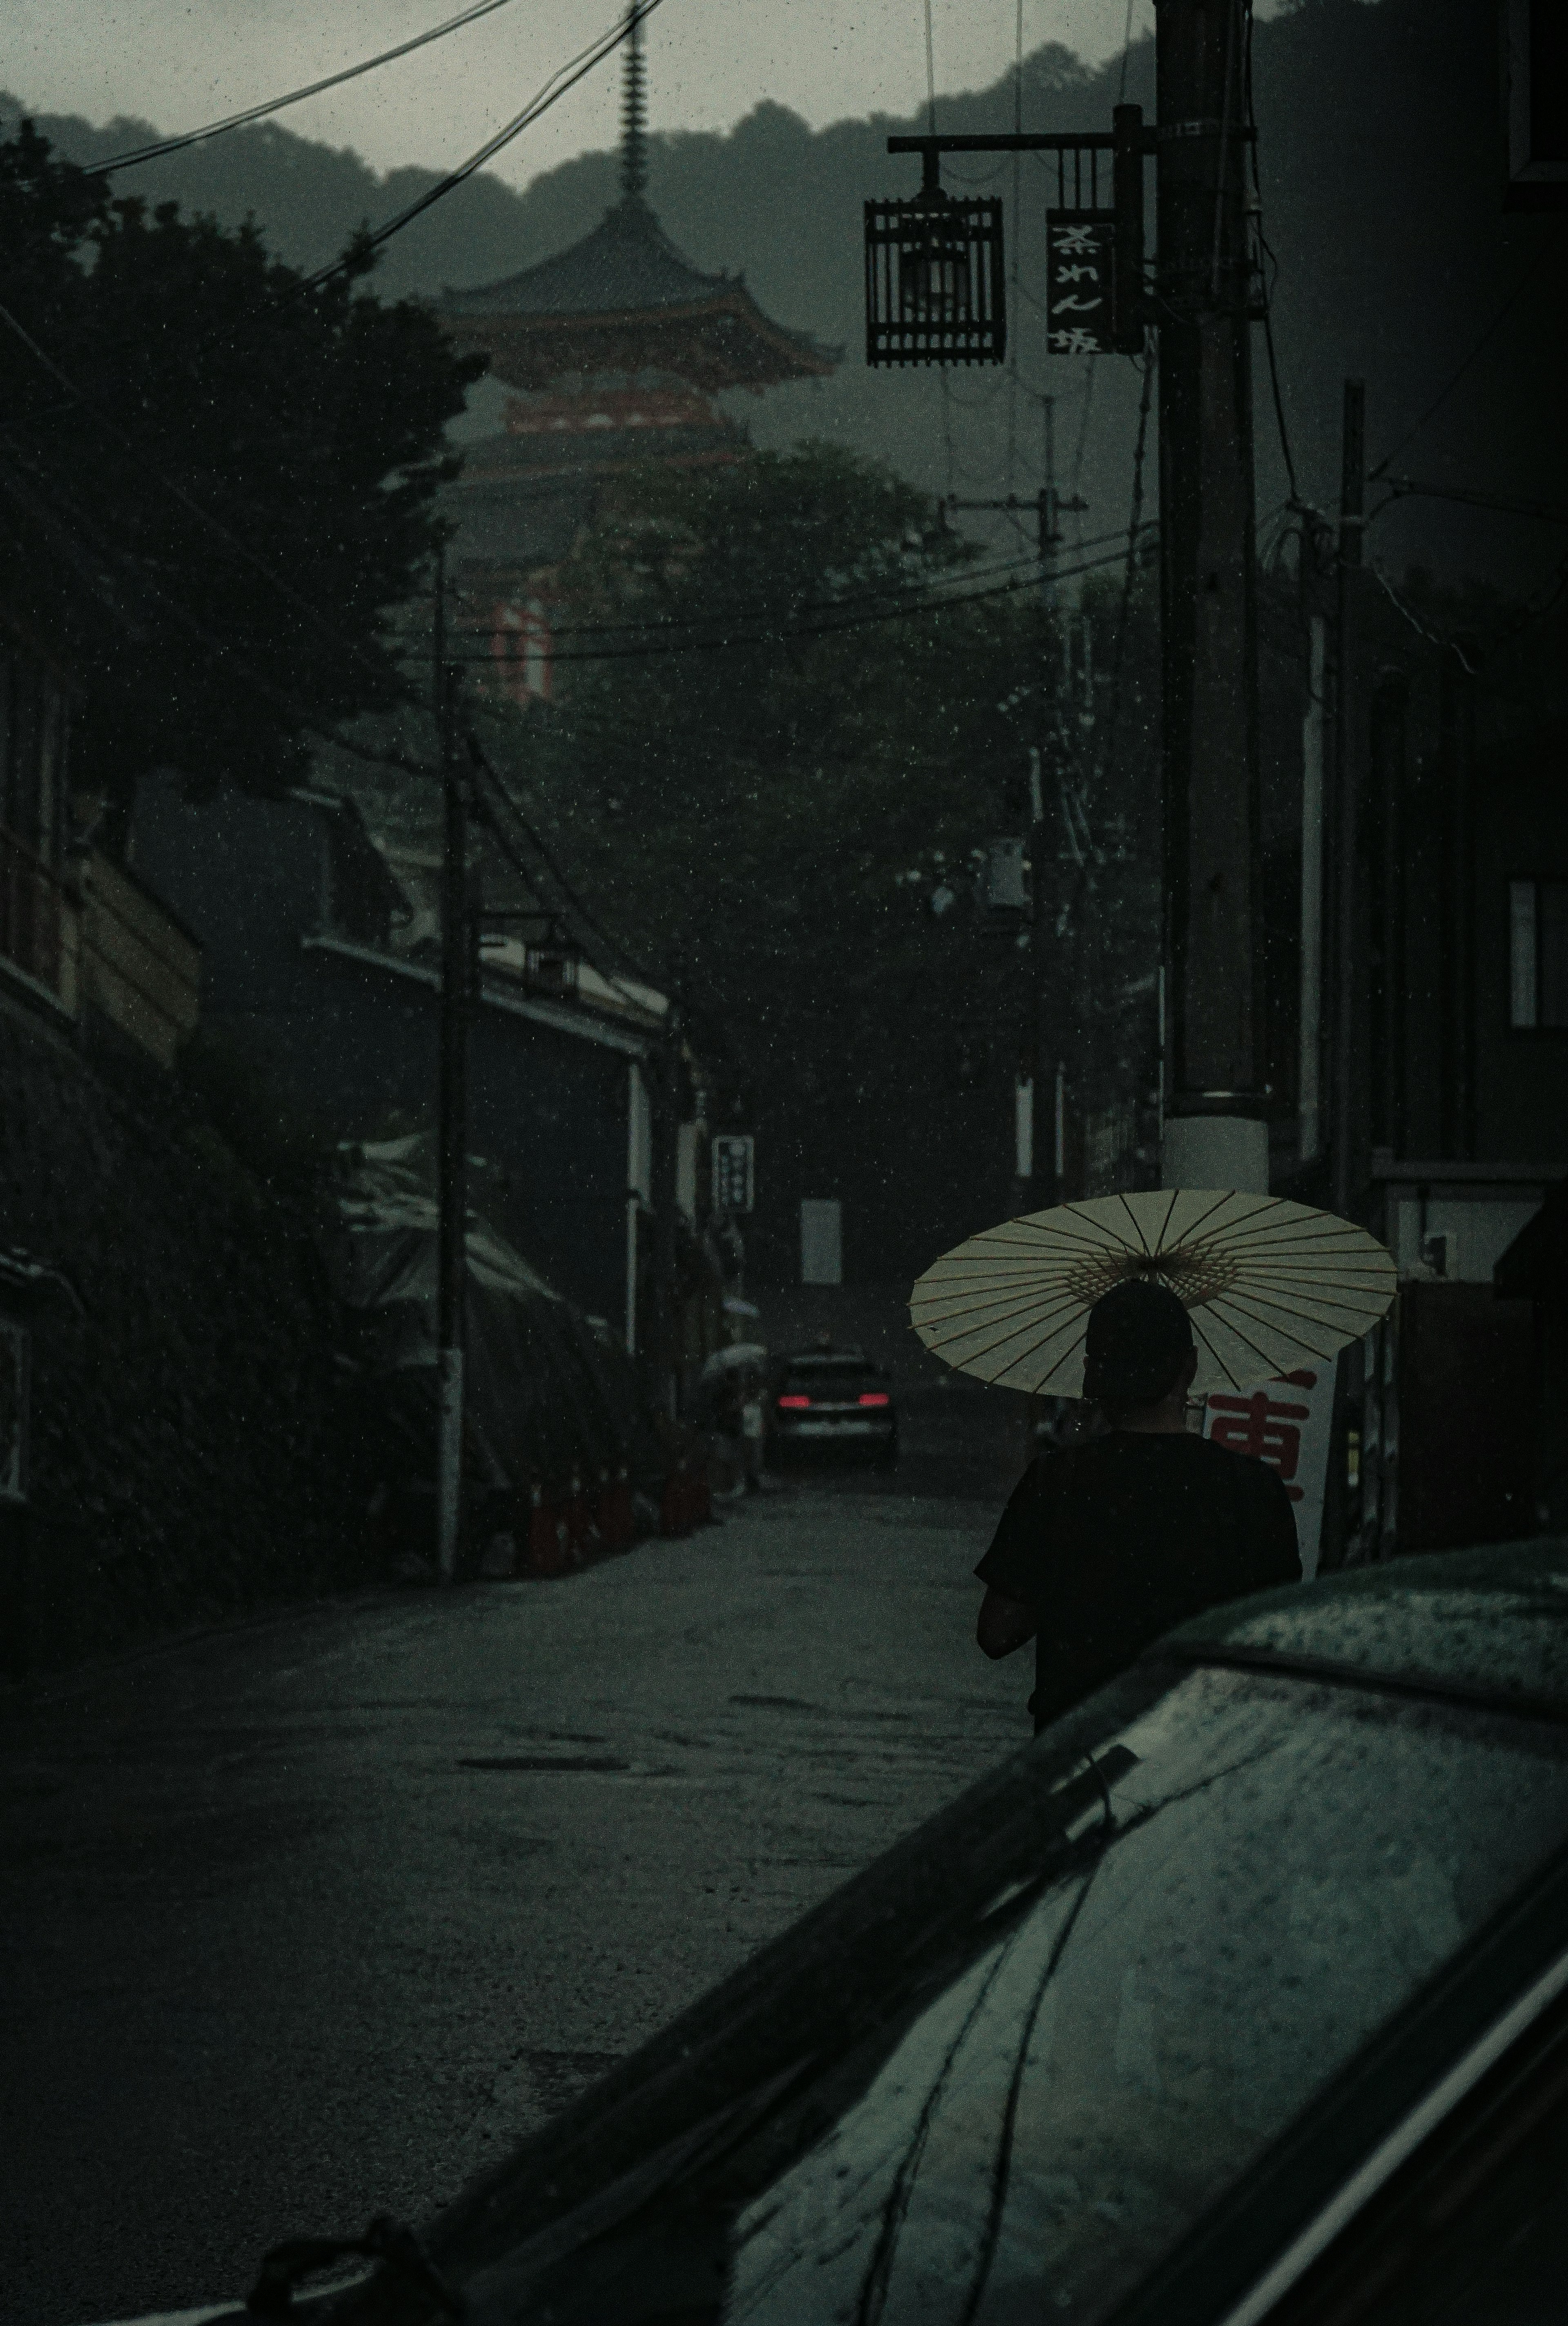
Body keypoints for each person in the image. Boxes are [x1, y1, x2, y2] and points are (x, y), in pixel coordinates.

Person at [974, 1277, 1301, 1730]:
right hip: (1205, 1750)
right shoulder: (1253, 1488)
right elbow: (1279, 1639)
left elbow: (997, 1632)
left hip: (1082, 1756)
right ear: (1189, 1367)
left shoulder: (1059, 1481)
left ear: (1093, 1375)